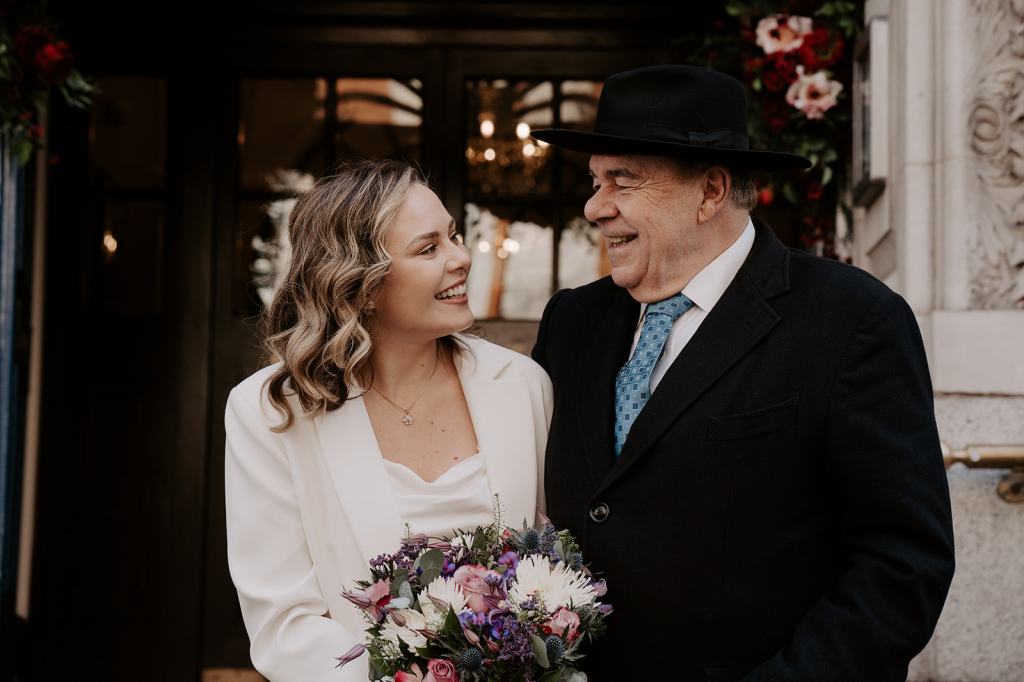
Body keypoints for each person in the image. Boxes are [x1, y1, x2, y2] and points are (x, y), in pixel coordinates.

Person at [530, 65, 955, 681]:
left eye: (621, 180)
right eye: (595, 181)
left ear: (709, 192)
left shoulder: (852, 320)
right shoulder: (572, 321)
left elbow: (901, 562)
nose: (595, 207)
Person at [224, 159, 552, 681]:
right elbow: (285, 623)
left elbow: (548, 564)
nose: (461, 258)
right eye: (429, 248)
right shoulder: (271, 411)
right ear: (363, 284)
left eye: (454, 237)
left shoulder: (522, 385)